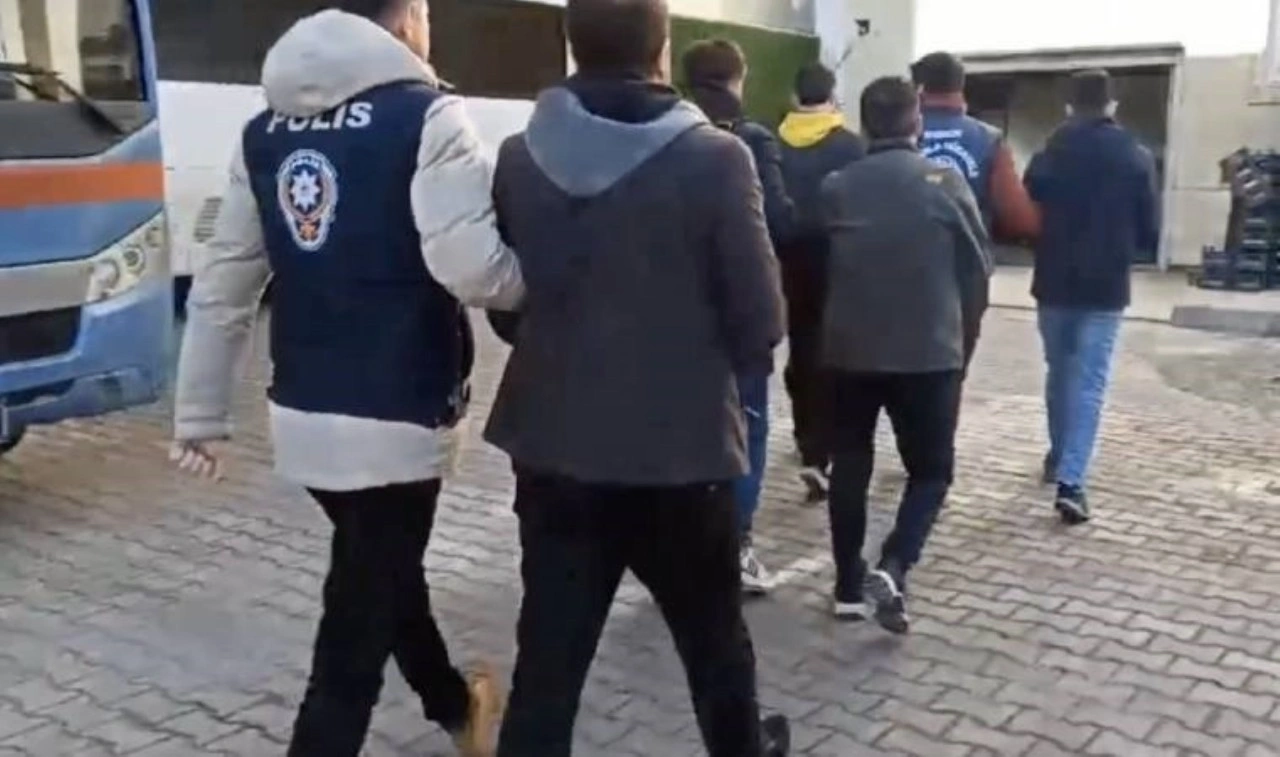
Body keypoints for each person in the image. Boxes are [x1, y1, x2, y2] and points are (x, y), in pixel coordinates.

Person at [168, 2, 523, 755]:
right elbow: (472, 270)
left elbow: (224, 283)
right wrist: (543, 284)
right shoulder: (430, 117)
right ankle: (438, 715)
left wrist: (199, 413)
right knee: (349, 645)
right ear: (405, 21)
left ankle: (456, 707)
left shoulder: (263, 132)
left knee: (381, 571)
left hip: (303, 409)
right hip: (400, 410)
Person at [483, 0, 789, 754]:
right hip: (683, 454)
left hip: (553, 446)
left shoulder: (520, 156)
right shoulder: (718, 158)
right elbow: (761, 323)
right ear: (663, 47)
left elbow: (508, 309)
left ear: (571, 45)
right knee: (716, 651)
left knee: (548, 665)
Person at [819, 77, 991, 633]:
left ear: (866, 124)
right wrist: (964, 337)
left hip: (849, 349)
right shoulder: (944, 182)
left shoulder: (837, 186)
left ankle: (847, 587)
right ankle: (895, 564)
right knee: (931, 471)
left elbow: (817, 265)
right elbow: (977, 267)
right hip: (928, 351)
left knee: (850, 464)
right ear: (916, 121)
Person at [681, 37, 794, 594]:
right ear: (737, 78)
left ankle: (682, 545)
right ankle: (737, 545)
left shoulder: (663, 135)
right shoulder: (750, 139)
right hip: (738, 314)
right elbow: (777, 222)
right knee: (747, 428)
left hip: (675, 316)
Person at [1024, 69, 1159, 525]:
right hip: (1106, 286)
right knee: (1089, 382)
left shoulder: (1048, 154)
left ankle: (1059, 452)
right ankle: (1072, 481)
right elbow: (1149, 229)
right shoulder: (1135, 156)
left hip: (1053, 281)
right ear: (1111, 106)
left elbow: (1026, 215)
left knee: (1060, 372)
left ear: (1069, 107)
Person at [776, 62, 866, 500]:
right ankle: (820, 451)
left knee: (802, 345)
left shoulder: (775, 140)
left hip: (787, 259)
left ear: (796, 97)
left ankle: (804, 435)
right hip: (835, 259)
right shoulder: (849, 145)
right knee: (831, 356)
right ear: (832, 96)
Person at [911, 51, 1040, 245]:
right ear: (961, 85)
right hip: (968, 254)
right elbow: (1017, 218)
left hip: (908, 252)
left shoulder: (899, 134)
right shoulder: (988, 139)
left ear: (919, 88)